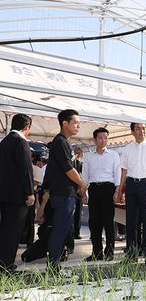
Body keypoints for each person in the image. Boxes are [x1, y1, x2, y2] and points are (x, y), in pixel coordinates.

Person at [46, 109, 86, 272]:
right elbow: (68, 169)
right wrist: (82, 184)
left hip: (65, 194)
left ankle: (55, 264)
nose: (78, 126)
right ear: (64, 123)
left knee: (61, 230)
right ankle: (53, 267)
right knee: (60, 230)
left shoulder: (64, 142)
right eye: (75, 122)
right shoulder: (61, 141)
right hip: (63, 194)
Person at [0, 113, 35, 273]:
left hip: (4, 194)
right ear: (27, 127)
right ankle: (6, 266)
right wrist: (30, 192)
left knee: (5, 229)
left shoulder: (4, 142)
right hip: (18, 195)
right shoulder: (21, 142)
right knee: (13, 232)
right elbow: (26, 170)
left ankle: (3, 262)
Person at [117, 123, 146, 263]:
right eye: (138, 128)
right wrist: (120, 189)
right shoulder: (127, 148)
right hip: (131, 184)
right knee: (131, 221)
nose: (142, 131)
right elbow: (124, 171)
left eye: (144, 128)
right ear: (132, 131)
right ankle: (132, 254)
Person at [82, 128, 121, 261]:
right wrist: (83, 192)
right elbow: (85, 176)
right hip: (93, 189)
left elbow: (117, 174)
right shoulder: (88, 156)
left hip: (108, 189)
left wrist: (117, 191)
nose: (103, 140)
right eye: (100, 138)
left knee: (108, 222)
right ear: (94, 140)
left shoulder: (114, 155)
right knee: (94, 223)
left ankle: (109, 253)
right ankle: (97, 253)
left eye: (105, 137)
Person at [73, 146, 83, 240]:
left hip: (80, 190)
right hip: (73, 189)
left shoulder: (82, 163)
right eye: (77, 151)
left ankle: (77, 231)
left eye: (80, 152)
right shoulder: (73, 163)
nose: (78, 153)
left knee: (78, 213)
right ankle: (73, 232)